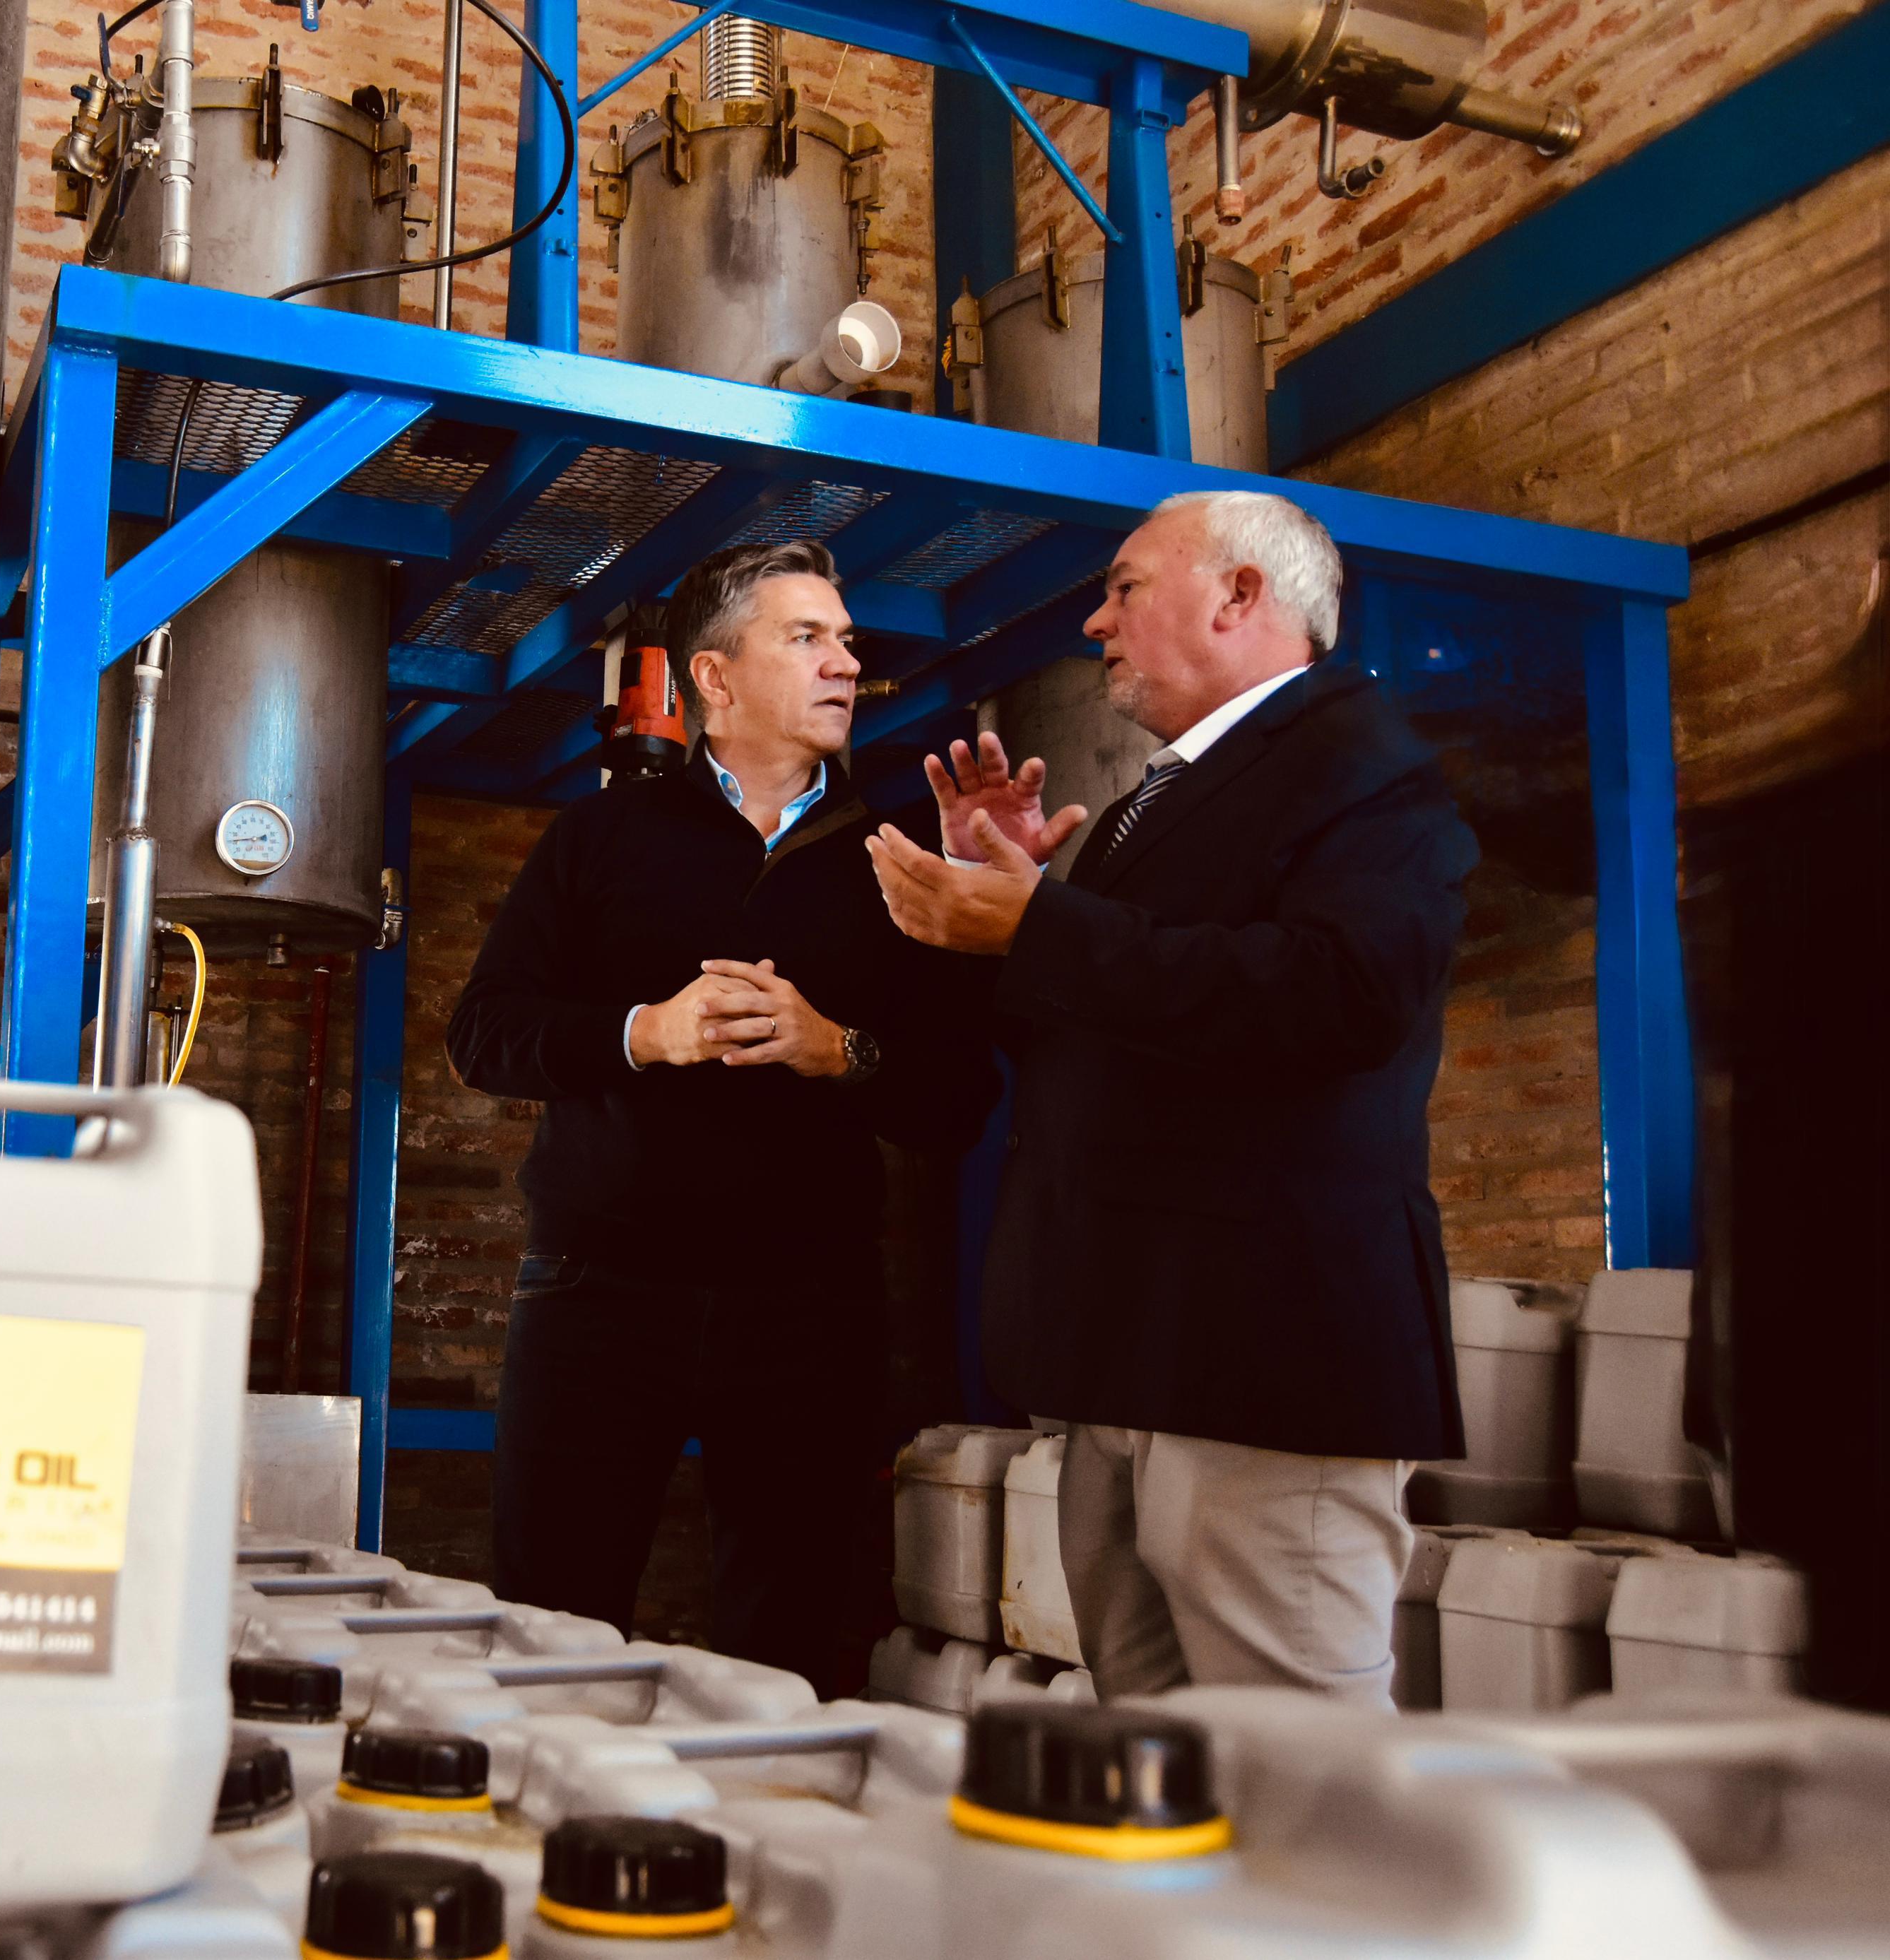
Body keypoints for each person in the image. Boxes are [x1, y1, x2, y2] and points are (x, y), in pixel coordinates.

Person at [865, 489, 1477, 1707]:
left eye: (1126, 587)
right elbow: (1076, 1037)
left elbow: (1344, 996)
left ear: (1241, 594)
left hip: (1262, 1369)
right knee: (1157, 1767)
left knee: (1297, 1776)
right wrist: (1001, 905)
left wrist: (1044, 926)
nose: (1097, 620)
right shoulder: (1167, 798)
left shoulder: (1366, 767)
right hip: (1129, 1358)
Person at [447, 539, 999, 1696]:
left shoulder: (896, 864)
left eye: (846, 640)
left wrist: (834, 1047)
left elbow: (959, 1098)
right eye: (807, 637)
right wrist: (646, 1031)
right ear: (715, 676)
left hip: (809, 1302)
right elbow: (485, 1032)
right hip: (599, 1289)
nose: (844, 662)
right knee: (552, 1628)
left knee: (794, 1646)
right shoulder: (598, 838)